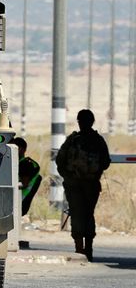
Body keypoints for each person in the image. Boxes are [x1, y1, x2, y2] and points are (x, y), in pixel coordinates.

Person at [55, 109, 110, 262]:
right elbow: (105, 162)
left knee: (78, 214)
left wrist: (68, 176)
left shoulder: (73, 140)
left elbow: (60, 160)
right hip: (90, 185)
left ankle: (80, 250)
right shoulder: (98, 140)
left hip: (74, 185)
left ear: (79, 121)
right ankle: (88, 249)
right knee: (88, 214)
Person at [8, 137, 43, 216]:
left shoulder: (25, 165)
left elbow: (24, 184)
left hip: (18, 202)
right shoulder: (24, 163)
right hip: (17, 201)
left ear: (19, 149)